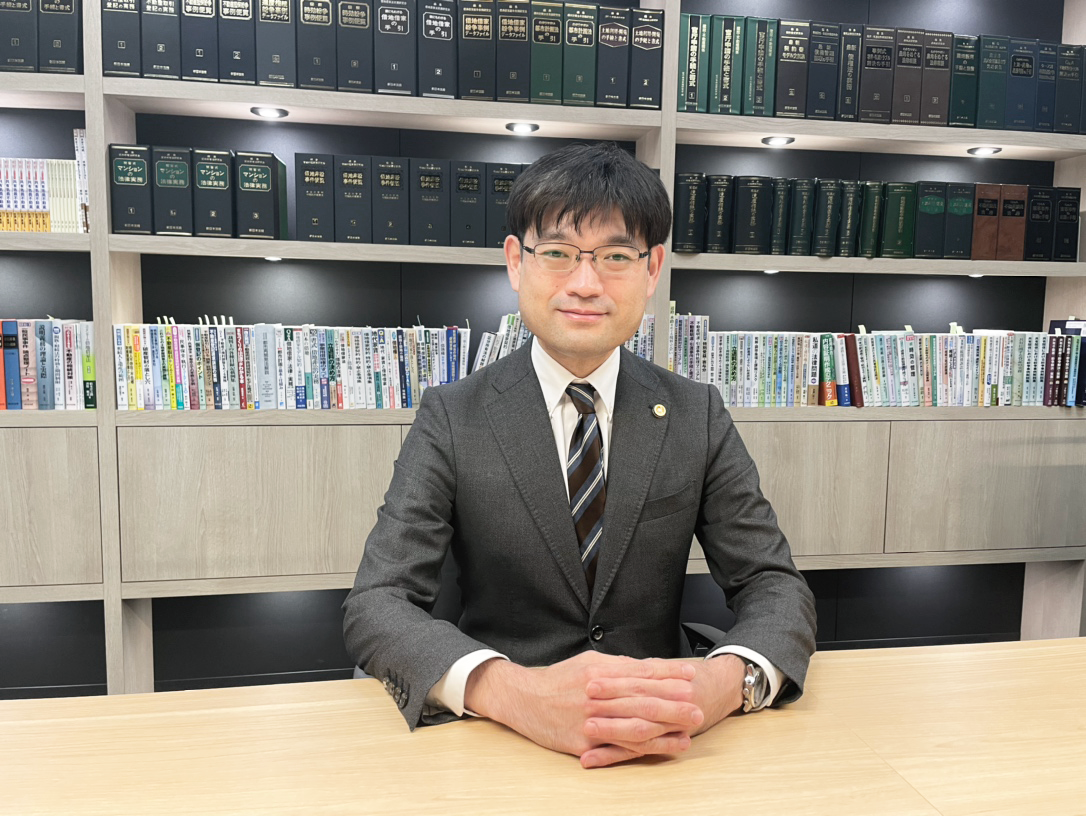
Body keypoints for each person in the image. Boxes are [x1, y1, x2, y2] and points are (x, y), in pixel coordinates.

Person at [343, 142, 816, 769]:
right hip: (502, 739)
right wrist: (514, 694)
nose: (585, 284)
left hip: (667, 737)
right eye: (558, 253)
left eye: (616, 256)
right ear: (516, 262)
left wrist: (724, 683)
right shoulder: (453, 415)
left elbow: (772, 583)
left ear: (652, 269)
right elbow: (378, 602)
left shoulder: (695, 412)